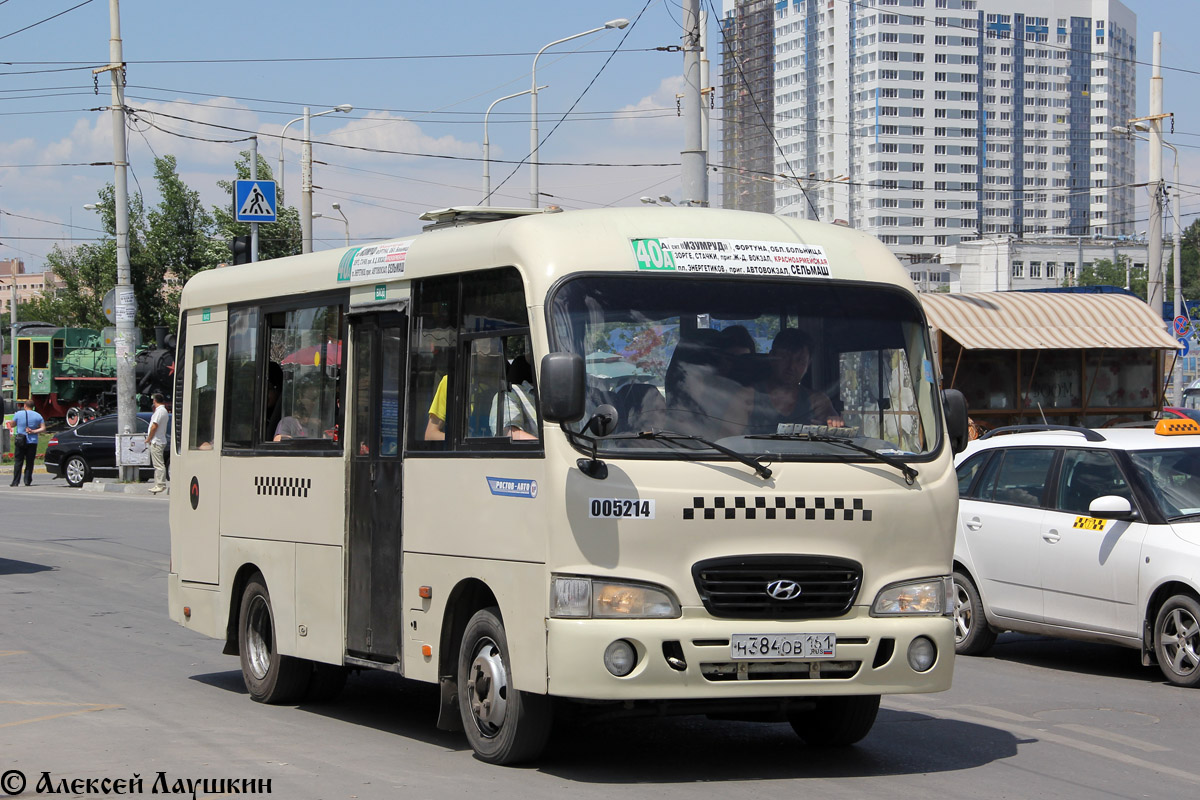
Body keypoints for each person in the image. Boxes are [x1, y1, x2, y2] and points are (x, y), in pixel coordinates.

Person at [744, 328, 842, 432]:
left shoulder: (817, 402)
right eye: (784, 358)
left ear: (808, 363)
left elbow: (837, 428)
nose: (791, 366)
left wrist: (832, 424)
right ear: (771, 356)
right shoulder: (747, 397)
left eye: (800, 360)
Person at [8, 399, 47, 487]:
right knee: (30, 462)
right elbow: (43, 429)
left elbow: (12, 424)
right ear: (33, 407)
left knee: (18, 461)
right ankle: (27, 480)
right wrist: (33, 431)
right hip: (32, 441)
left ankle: (15, 481)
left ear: (25, 406)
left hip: (20, 441)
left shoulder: (18, 414)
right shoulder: (38, 415)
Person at [145, 393, 170, 494]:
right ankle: (158, 484)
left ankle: (160, 484)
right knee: (158, 464)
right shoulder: (163, 411)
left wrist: (149, 438)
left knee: (158, 464)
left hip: (157, 441)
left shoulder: (160, 411)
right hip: (159, 440)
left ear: (154, 401)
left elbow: (154, 426)